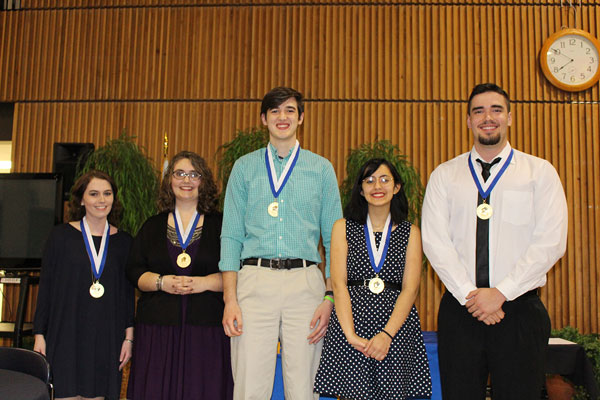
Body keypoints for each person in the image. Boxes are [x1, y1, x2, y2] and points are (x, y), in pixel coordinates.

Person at [421, 83, 568, 400]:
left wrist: (501, 293)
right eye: (479, 111)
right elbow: (435, 242)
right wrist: (471, 296)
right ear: (468, 121)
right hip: (461, 310)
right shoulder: (445, 175)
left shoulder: (539, 173)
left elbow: (551, 241)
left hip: (519, 311)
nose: (488, 117)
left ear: (510, 117)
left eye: (496, 109)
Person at [220, 86, 343, 399]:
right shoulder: (244, 168)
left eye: (290, 110)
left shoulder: (321, 169)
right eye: (274, 111)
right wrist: (230, 298)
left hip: (305, 284)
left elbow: (333, 240)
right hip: (254, 282)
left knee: (304, 386)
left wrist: (330, 297)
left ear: (301, 118)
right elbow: (231, 235)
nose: (282, 117)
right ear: (264, 119)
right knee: (249, 386)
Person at [314, 158, 432, 400]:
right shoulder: (342, 228)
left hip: (395, 330)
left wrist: (386, 335)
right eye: (369, 180)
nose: (377, 186)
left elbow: (410, 290)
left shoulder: (411, 233)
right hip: (351, 326)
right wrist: (350, 335)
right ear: (361, 189)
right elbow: (339, 285)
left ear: (396, 187)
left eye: (384, 179)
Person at [126, 151, 233, 400]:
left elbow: (236, 270)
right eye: (179, 173)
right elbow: (133, 270)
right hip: (158, 331)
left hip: (207, 330)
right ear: (169, 180)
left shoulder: (223, 225)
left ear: (203, 181)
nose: (187, 180)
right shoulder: (152, 225)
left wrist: (204, 283)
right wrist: (162, 282)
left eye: (194, 174)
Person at [33, 170, 134, 400]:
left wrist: (129, 338)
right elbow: (46, 287)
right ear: (81, 199)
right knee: (66, 393)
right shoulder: (60, 236)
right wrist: (40, 334)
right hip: (66, 330)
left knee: (98, 394)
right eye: (94, 194)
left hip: (106, 334)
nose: (101, 200)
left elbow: (127, 295)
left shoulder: (124, 242)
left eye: (107, 194)